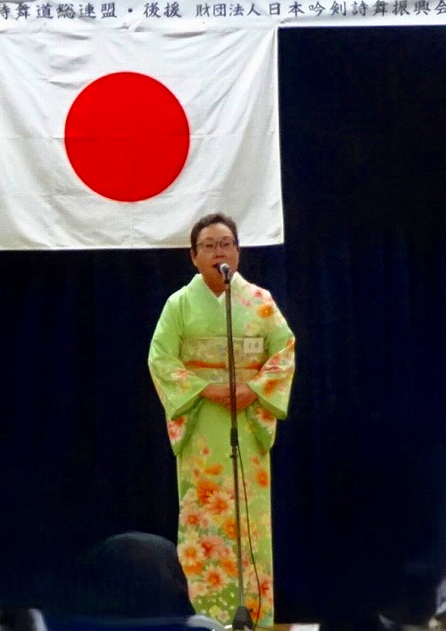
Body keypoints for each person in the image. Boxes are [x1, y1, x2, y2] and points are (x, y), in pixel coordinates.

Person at [148, 213, 296, 629]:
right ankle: (208, 618)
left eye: (226, 243)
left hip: (247, 420)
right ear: (194, 256)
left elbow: (283, 351)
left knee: (251, 519)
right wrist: (205, 390)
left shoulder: (261, 301)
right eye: (209, 245)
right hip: (203, 424)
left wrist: (256, 389)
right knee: (205, 519)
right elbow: (160, 358)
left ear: (238, 251)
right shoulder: (179, 304)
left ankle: (256, 614)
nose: (219, 251)